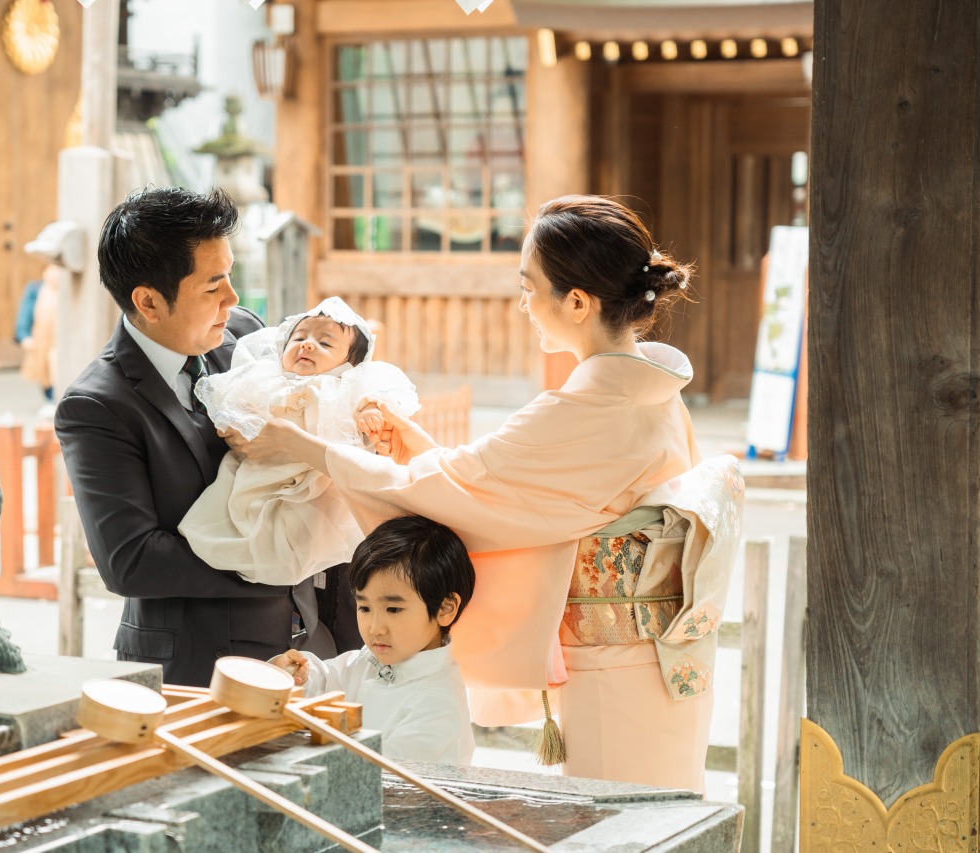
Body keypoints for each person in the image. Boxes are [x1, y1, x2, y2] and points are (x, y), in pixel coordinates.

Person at [227, 195, 743, 791]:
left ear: (577, 302)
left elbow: (470, 489)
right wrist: (420, 449)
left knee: (618, 818)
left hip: (618, 664)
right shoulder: (646, 388)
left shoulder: (591, 405)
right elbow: (496, 485)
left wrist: (305, 446)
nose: (523, 304)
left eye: (529, 287)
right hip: (653, 656)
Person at [54, 186, 360, 687]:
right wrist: (276, 562)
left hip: (318, 638)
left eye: (231, 275)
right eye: (213, 286)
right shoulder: (97, 404)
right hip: (202, 664)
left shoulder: (245, 336)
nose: (232, 299)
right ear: (149, 301)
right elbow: (131, 561)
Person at [178, 296, 419, 586]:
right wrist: (237, 422)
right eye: (299, 338)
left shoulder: (344, 386)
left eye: (325, 343)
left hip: (315, 480)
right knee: (238, 512)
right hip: (263, 473)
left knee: (304, 532)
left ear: (349, 363)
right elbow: (232, 408)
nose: (307, 345)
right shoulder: (265, 378)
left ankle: (283, 564)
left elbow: (370, 400)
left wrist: (369, 412)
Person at [270, 515, 476, 765]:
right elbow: (326, 679)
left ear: (445, 609)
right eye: (365, 608)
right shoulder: (370, 661)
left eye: (393, 609)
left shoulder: (438, 706)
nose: (375, 628)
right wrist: (295, 674)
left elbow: (376, 773)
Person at [16, 263, 59, 411]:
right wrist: (24, 335)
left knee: (56, 367)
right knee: (43, 369)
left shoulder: (64, 290)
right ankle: (50, 399)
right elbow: (25, 312)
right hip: (40, 337)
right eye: (50, 270)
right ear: (43, 272)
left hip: (58, 340)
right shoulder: (35, 289)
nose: (54, 274)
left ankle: (57, 398)